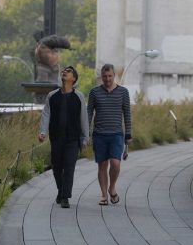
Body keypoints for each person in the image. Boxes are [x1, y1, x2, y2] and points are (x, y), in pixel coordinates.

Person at [39, 65, 89, 209]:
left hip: (73, 139)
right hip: (56, 138)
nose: (65, 73)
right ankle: (61, 191)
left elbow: (83, 118)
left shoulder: (79, 97)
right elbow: (46, 114)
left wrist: (85, 138)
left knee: (69, 167)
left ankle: (65, 197)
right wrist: (43, 132)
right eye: (64, 71)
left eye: (68, 72)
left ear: (73, 79)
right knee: (56, 167)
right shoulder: (52, 96)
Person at [87, 64, 132, 206]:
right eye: (105, 76)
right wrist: (86, 133)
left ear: (114, 76)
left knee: (115, 164)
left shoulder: (123, 92)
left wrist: (128, 134)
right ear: (101, 77)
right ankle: (103, 195)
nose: (107, 79)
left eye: (110, 76)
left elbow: (127, 113)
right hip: (99, 134)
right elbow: (88, 113)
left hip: (116, 134)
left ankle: (112, 187)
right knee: (102, 166)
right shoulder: (94, 92)